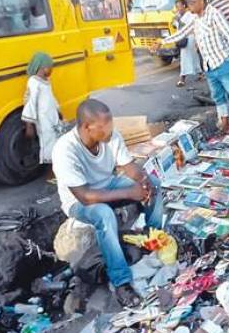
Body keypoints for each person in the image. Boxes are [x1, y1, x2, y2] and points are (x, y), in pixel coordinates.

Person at [52, 100, 163, 307]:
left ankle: (153, 239)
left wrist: (144, 181)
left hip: (108, 185)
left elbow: (129, 167)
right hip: (78, 201)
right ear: (87, 127)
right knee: (104, 214)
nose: (111, 129)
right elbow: (84, 195)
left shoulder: (111, 137)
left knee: (155, 184)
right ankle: (121, 281)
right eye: (105, 125)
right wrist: (130, 191)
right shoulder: (65, 149)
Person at [152, 0, 229, 135]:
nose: (189, 6)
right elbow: (182, 33)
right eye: (188, 3)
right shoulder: (195, 18)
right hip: (209, 66)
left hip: (223, 63)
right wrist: (162, 41)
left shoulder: (214, 14)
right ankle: (225, 124)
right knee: (218, 97)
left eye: (192, 3)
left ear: (201, 2)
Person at [21, 52, 61, 164]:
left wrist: (58, 110)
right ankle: (50, 166)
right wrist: (29, 125)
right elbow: (31, 103)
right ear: (43, 68)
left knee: (56, 140)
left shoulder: (46, 81)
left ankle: (57, 164)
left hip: (52, 116)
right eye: (50, 67)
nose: (52, 70)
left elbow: (51, 97)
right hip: (43, 120)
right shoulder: (34, 82)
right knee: (47, 142)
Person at [172, 0, 202, 87]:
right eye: (176, 7)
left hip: (190, 39)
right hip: (182, 38)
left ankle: (182, 79)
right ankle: (200, 73)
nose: (177, 8)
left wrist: (178, 20)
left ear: (184, 6)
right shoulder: (178, 15)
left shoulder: (190, 15)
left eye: (179, 6)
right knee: (193, 58)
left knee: (185, 59)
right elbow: (175, 26)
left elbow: (190, 27)